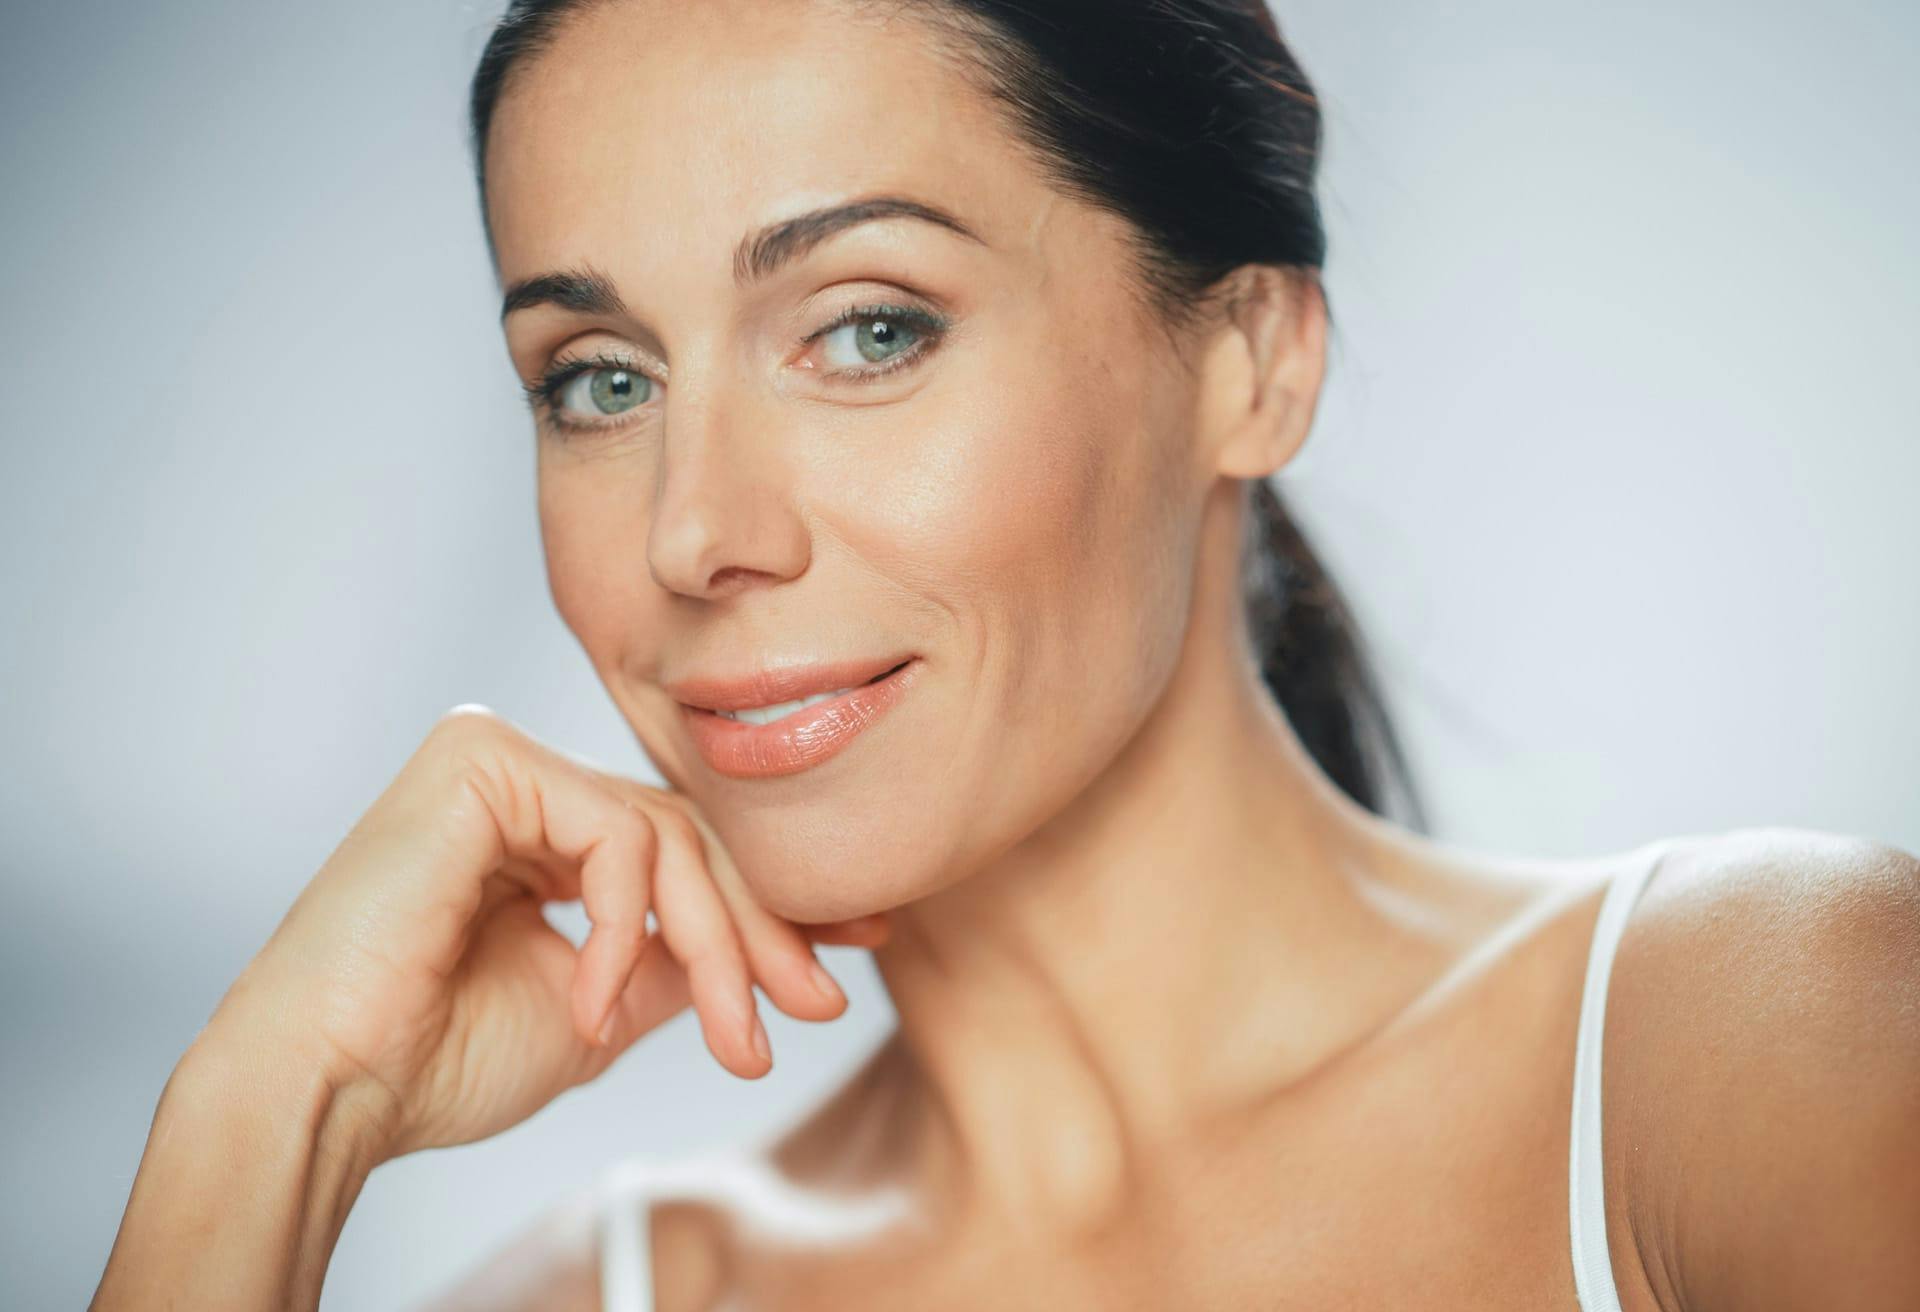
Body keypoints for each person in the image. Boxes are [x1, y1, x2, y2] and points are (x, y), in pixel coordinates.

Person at [91, 2, 1920, 1309]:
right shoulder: (607, 1297)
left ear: (1252, 361)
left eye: (868, 330)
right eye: (603, 378)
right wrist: (276, 1114)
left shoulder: (1752, 1051)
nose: (693, 530)